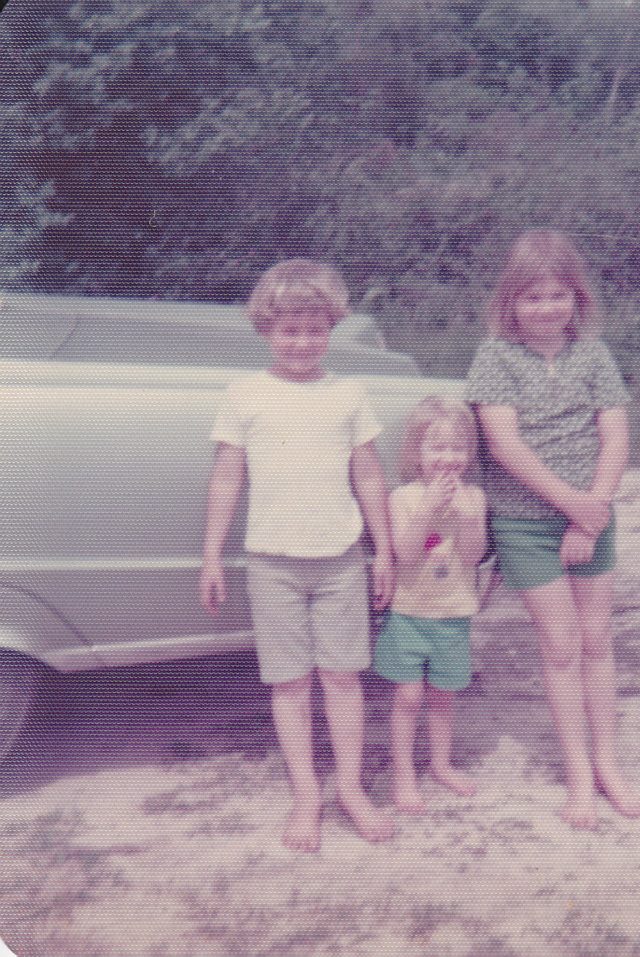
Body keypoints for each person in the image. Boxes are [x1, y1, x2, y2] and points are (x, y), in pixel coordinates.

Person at [199, 258, 396, 851]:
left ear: (332, 328)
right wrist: (211, 556)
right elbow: (227, 477)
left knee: (342, 677)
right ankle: (307, 793)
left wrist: (383, 549)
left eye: (315, 330)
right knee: (289, 683)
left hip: (340, 560)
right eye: (289, 330)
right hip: (272, 564)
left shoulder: (350, 394)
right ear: (266, 329)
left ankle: (351, 789)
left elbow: (368, 474)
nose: (303, 342)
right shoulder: (244, 394)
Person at [464, 229, 640, 830]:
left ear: (577, 298)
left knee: (598, 642)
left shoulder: (594, 355)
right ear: (510, 301)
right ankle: (576, 776)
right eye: (533, 297)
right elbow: (504, 444)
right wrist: (574, 506)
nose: (547, 309)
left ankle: (609, 765)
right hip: (527, 522)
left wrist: (592, 511)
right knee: (561, 645)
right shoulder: (494, 357)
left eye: (558, 296)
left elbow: (615, 435)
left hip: (592, 516)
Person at [373, 397, 487, 813]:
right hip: (408, 614)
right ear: (416, 455)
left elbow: (473, 556)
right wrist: (426, 511)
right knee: (407, 697)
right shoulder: (403, 498)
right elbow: (405, 554)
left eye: (457, 448)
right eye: (436, 448)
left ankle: (441, 765)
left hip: (453, 615)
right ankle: (403, 775)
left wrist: (467, 518)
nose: (447, 458)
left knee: (443, 696)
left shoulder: (474, 498)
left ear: (469, 454)